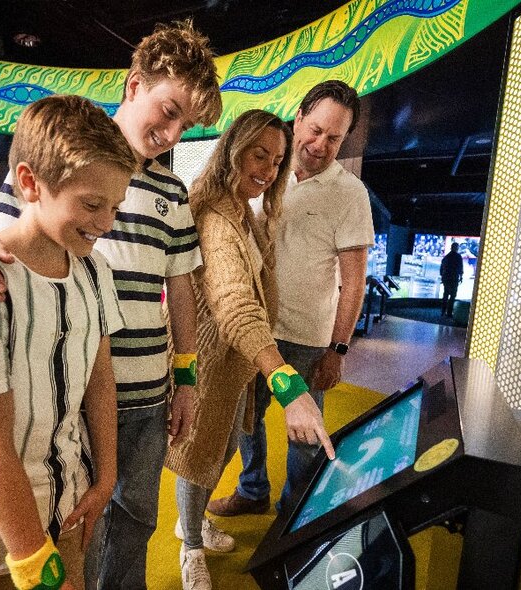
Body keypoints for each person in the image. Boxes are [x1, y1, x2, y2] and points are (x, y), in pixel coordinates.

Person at [0, 20, 222, 590]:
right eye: (168, 110)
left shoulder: (171, 192)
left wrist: (185, 376)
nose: (173, 132)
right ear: (135, 85)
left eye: (186, 124)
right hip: (61, 386)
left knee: (129, 514)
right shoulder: (60, 146)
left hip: (137, 385)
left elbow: (180, 284)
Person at [0, 95, 137, 590]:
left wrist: (105, 477)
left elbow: (99, 378)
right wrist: (33, 559)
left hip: (68, 496)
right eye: (91, 203)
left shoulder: (96, 270)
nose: (106, 223)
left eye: (115, 206)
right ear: (30, 182)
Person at [164, 109, 335, 590]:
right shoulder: (215, 217)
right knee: (197, 453)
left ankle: (191, 524)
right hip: (205, 362)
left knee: (217, 452)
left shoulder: (244, 211)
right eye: (259, 154)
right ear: (232, 150)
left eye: (277, 160)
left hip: (233, 364)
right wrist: (286, 381)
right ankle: (190, 546)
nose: (267, 169)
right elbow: (233, 302)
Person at [207, 80, 373, 518]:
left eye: (334, 137)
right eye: (315, 129)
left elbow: (354, 282)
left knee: (304, 436)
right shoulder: (265, 176)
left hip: (306, 338)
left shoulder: (350, 193)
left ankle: (294, 519)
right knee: (245, 421)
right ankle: (253, 489)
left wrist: (337, 349)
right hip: (254, 331)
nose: (320, 144)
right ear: (298, 119)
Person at [439, 242, 463, 318]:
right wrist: (461, 276)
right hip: (454, 278)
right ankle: (449, 313)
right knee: (452, 296)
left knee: (446, 294)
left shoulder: (446, 257)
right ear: (456, 248)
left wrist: (443, 277)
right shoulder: (458, 257)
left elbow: (441, 268)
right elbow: (460, 268)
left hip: (446, 278)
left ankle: (443, 311)